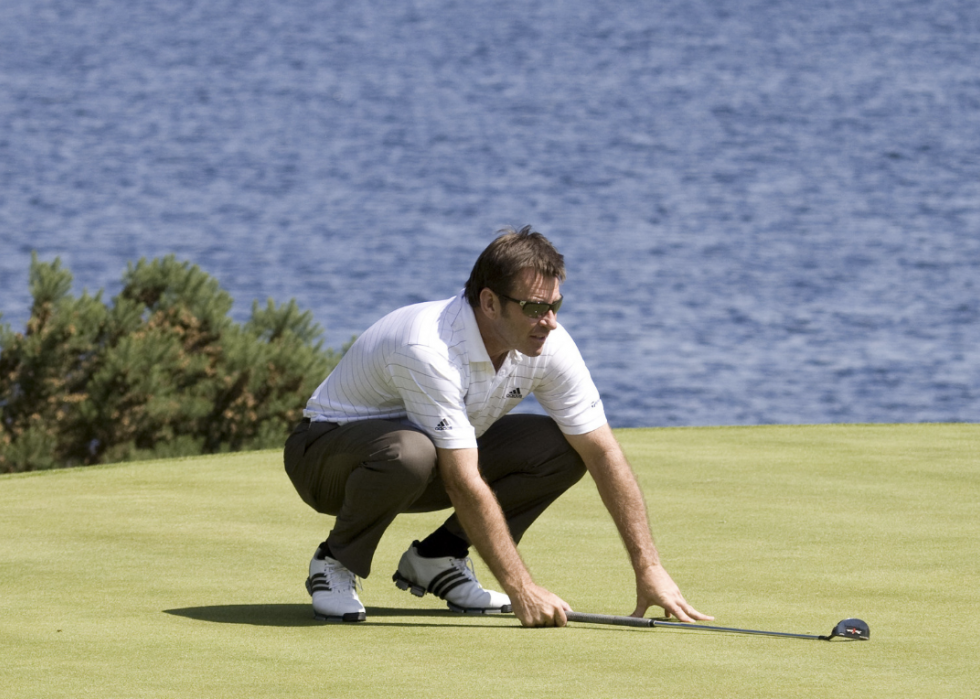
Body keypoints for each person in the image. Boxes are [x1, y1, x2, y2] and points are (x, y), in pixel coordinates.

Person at [283, 226, 712, 627]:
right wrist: (521, 588)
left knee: (563, 447)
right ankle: (335, 561)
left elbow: (602, 452)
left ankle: (438, 558)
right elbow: (461, 478)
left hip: (422, 461)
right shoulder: (428, 347)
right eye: (533, 308)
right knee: (412, 452)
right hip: (324, 461)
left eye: (555, 305)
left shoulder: (547, 343)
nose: (550, 321)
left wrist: (649, 568)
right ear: (489, 303)